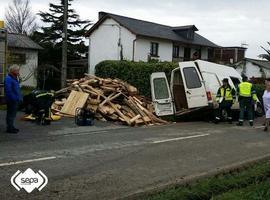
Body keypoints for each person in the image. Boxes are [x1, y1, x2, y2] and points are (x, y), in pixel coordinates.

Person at [4, 65, 22, 133]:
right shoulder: (8, 78)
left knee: (13, 114)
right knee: (10, 114)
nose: (18, 72)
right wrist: (12, 98)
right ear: (13, 71)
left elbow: (17, 89)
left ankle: (11, 126)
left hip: (15, 99)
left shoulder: (14, 78)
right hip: (12, 100)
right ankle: (9, 128)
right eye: (17, 70)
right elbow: (8, 90)